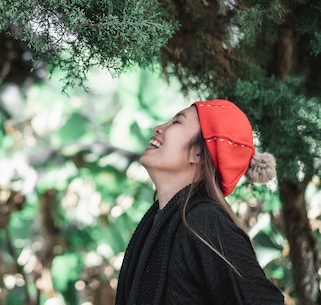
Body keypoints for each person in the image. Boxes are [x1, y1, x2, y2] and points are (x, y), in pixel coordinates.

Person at [115, 99, 284, 304]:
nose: (158, 128)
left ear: (199, 153)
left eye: (176, 122)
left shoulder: (206, 222)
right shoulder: (161, 221)